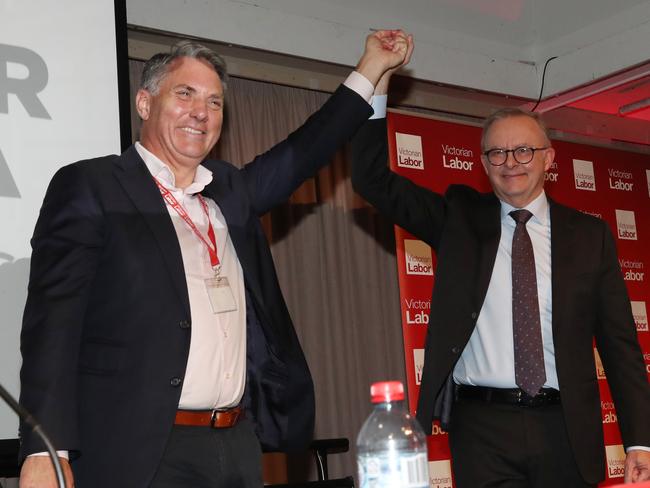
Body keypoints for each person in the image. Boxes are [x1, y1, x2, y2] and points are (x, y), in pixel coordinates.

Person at [18, 30, 411, 488]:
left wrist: (369, 67)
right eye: (184, 94)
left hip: (236, 443)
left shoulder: (230, 191)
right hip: (143, 449)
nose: (200, 112)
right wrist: (46, 447)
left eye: (215, 102)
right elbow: (53, 325)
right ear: (145, 103)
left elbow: (307, 149)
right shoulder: (93, 186)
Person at [351, 77, 650, 485]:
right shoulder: (458, 219)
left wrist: (640, 442)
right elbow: (372, 181)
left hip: (566, 428)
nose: (511, 162)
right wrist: (377, 83)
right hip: (482, 429)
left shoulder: (589, 236)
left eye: (524, 150)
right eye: (497, 153)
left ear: (549, 158)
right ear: (483, 163)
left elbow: (621, 347)